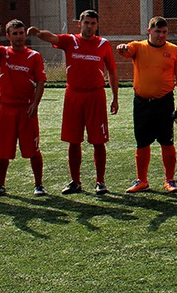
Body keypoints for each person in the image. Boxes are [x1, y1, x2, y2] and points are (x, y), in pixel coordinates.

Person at [30, 10, 119, 195]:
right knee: (73, 140)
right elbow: (53, 38)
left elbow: (111, 71)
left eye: (93, 23)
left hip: (96, 96)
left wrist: (115, 97)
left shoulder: (104, 44)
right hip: (74, 95)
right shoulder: (71, 40)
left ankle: (100, 182)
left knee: (98, 141)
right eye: (86, 22)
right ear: (80, 23)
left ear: (97, 25)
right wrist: (38, 33)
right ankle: (75, 182)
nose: (89, 26)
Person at [117, 16, 177, 194]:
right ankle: (142, 181)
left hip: (164, 103)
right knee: (141, 143)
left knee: (167, 142)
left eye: (164, 32)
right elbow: (127, 51)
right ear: (149, 31)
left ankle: (170, 180)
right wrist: (122, 48)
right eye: (157, 32)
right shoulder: (139, 46)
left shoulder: (174, 50)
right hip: (141, 103)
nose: (161, 35)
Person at [0, 19, 46, 197]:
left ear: (25, 34)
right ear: (8, 36)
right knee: (3, 150)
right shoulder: (3, 53)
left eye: (21, 33)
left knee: (33, 149)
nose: (18, 37)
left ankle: (38, 185)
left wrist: (35, 104)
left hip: (26, 109)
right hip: (6, 109)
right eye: (14, 34)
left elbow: (40, 82)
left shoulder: (34, 56)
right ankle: (0, 185)